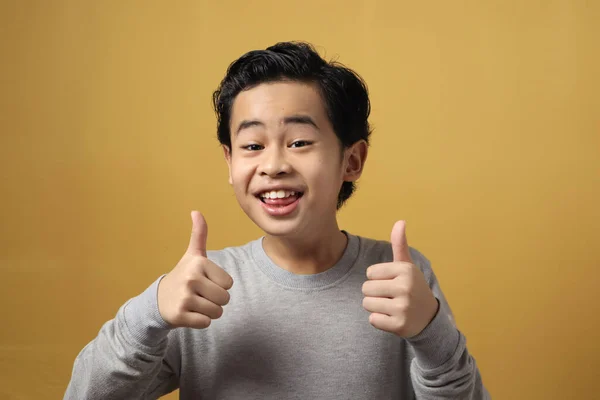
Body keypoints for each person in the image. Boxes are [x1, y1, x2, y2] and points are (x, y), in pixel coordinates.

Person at [64, 41, 489, 399]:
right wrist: (151, 311)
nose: (273, 165)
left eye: (300, 141)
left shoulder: (402, 280)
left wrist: (431, 332)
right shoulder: (200, 288)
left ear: (352, 160)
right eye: (252, 145)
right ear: (229, 162)